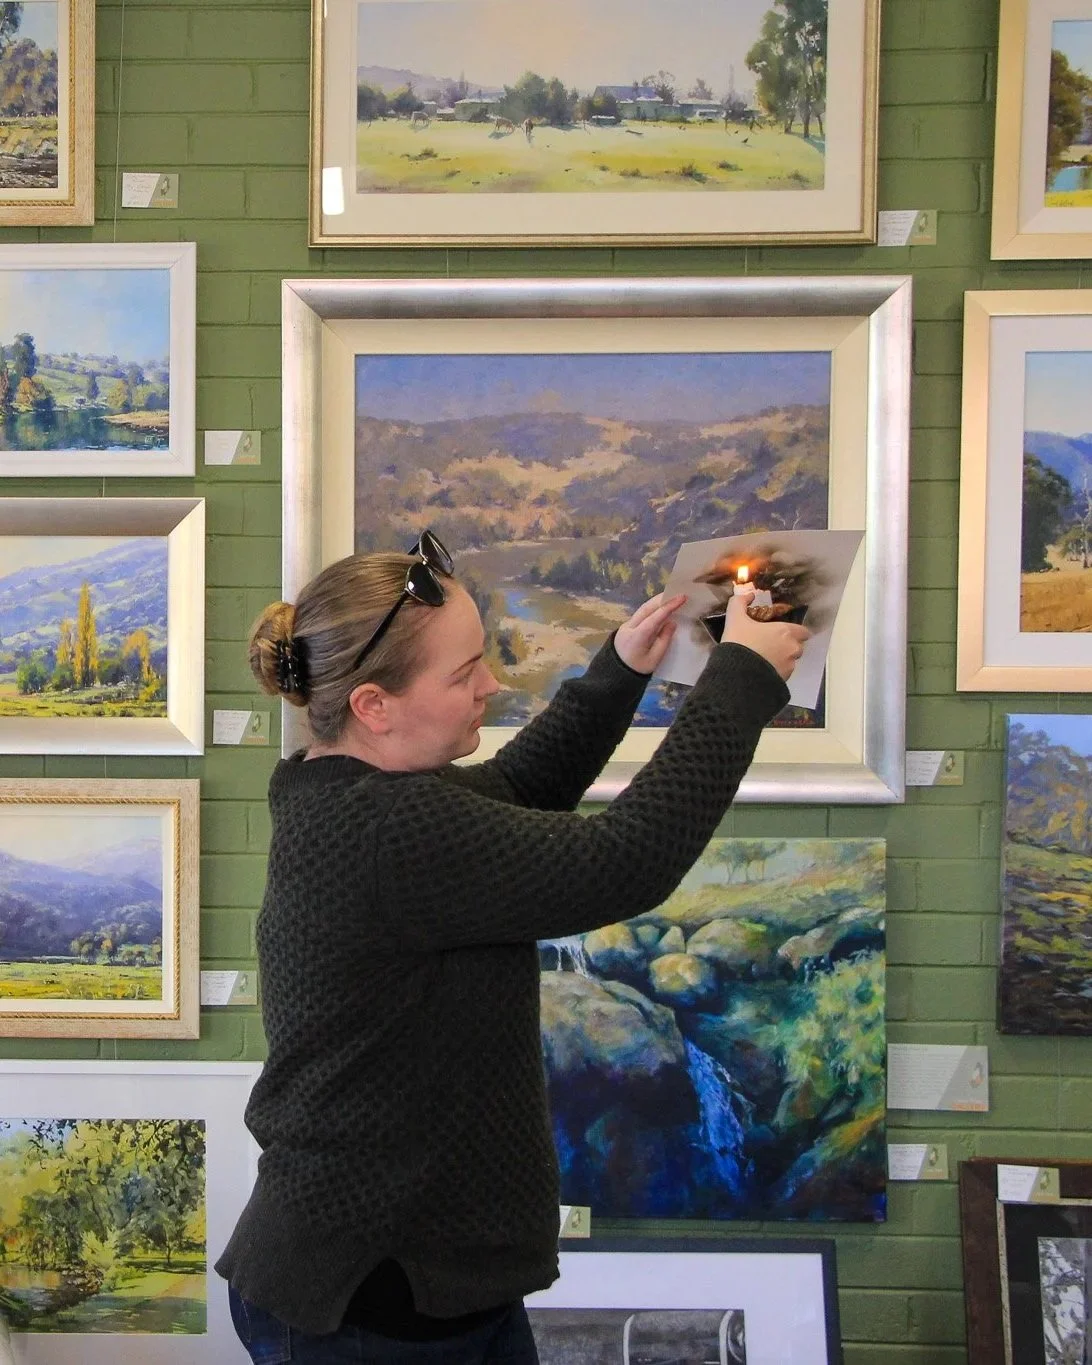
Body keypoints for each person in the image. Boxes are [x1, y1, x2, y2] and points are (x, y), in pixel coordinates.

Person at [216, 529, 808, 1364]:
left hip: (419, 1289)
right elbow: (625, 859)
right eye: (464, 674)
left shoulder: (352, 796)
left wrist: (620, 668)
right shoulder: (387, 828)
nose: (491, 685)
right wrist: (743, 677)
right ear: (373, 706)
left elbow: (515, 789)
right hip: (371, 1305)